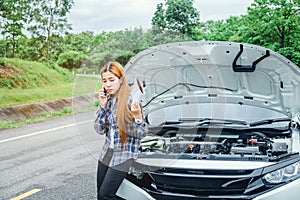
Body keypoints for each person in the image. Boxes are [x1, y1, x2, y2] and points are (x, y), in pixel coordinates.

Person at [94, 61, 148, 200]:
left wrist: (137, 117)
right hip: (107, 153)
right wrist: (102, 106)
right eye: (105, 81)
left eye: (112, 80)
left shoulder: (131, 101)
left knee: (106, 195)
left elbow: (142, 133)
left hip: (124, 155)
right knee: (101, 194)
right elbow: (99, 129)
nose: (108, 84)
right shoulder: (109, 99)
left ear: (121, 79)